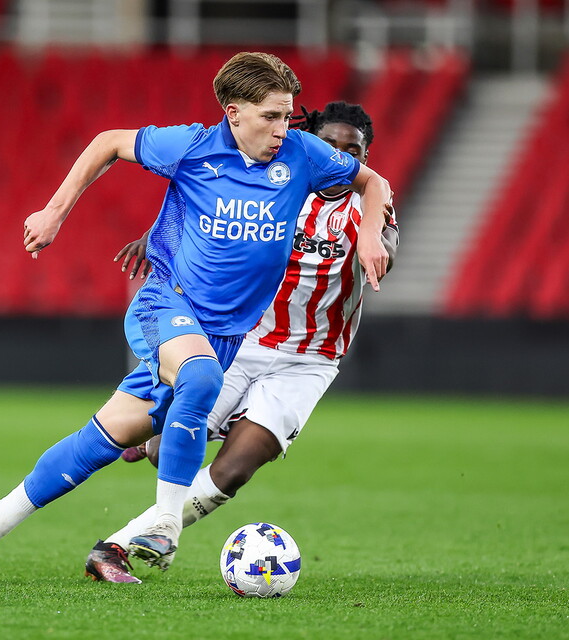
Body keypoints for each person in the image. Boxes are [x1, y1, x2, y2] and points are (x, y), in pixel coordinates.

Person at [0, 52, 391, 587]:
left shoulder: (301, 153)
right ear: (233, 113)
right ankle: (164, 523)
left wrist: (367, 236)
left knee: (101, 441)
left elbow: (374, 183)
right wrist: (54, 212)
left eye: (287, 116)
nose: (282, 129)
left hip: (227, 336)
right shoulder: (192, 146)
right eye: (271, 117)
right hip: (166, 305)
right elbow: (108, 141)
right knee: (200, 378)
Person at [85, 101, 399, 583]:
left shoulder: (372, 205)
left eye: (351, 149)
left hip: (307, 361)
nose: (338, 154)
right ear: (310, 144)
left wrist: (375, 241)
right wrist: (157, 236)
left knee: (233, 469)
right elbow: (204, 209)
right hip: (241, 340)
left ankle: (116, 547)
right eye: (329, 144)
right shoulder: (278, 182)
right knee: (168, 437)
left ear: (365, 153)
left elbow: (386, 248)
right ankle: (150, 442)